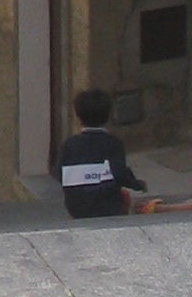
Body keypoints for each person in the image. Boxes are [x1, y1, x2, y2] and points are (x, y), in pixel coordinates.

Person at [58, 88, 148, 218]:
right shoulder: (113, 143)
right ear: (108, 116)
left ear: (78, 116)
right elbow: (120, 173)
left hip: (77, 207)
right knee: (124, 196)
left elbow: (60, 173)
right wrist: (137, 185)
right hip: (107, 207)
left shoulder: (69, 145)